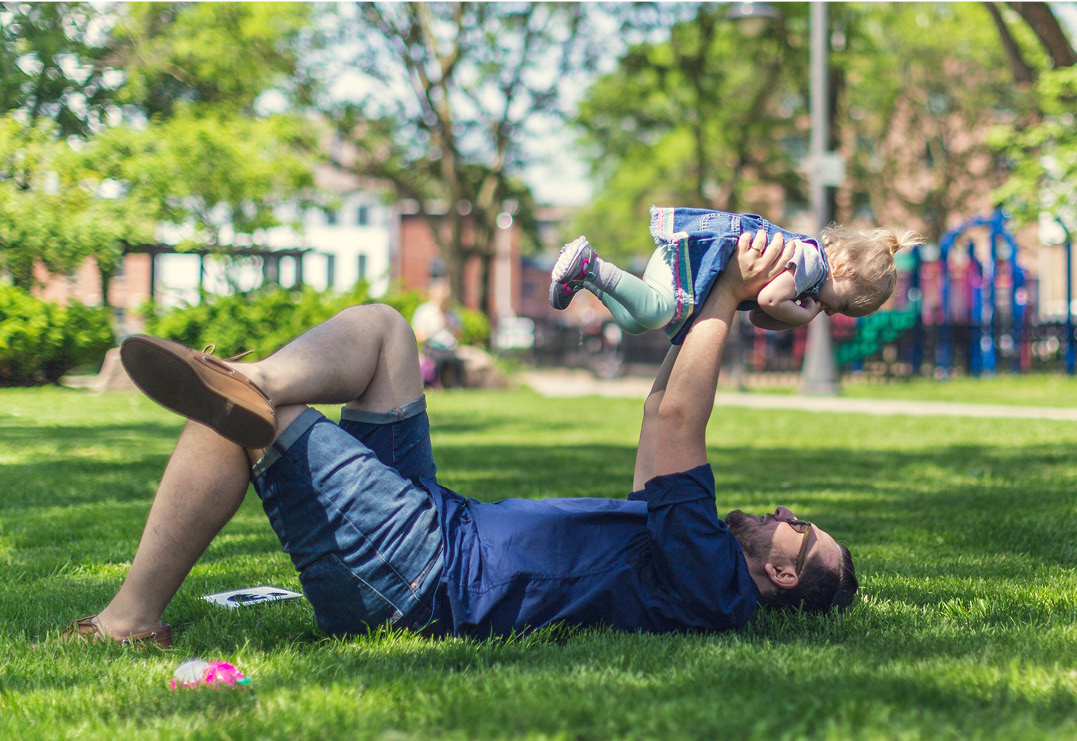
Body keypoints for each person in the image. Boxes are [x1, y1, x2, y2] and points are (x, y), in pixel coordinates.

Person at [61, 230, 856, 648]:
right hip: (436, 525)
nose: (782, 509)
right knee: (384, 332)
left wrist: (726, 290)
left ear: (783, 572)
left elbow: (684, 420)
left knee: (249, 425)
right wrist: (723, 303)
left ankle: (130, 618)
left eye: (798, 522)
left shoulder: (711, 584)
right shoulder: (684, 552)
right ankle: (257, 379)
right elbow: (661, 414)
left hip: (420, 577)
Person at [550, 205, 922, 342]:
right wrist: (803, 314)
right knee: (655, 312)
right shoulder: (811, 263)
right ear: (841, 267)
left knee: (634, 323)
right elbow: (768, 299)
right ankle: (591, 263)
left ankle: (585, 279)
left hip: (686, 264)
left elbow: (762, 316)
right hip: (693, 259)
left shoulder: (804, 279)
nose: (829, 311)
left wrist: (791, 318)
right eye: (840, 305)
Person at [411, 280, 465, 388]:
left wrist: (450, 325)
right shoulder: (424, 312)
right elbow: (418, 337)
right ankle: (435, 385)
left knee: (456, 361)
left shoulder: (453, 314)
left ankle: (456, 387)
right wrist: (436, 327)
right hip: (432, 348)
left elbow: (459, 336)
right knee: (438, 360)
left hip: (449, 348)